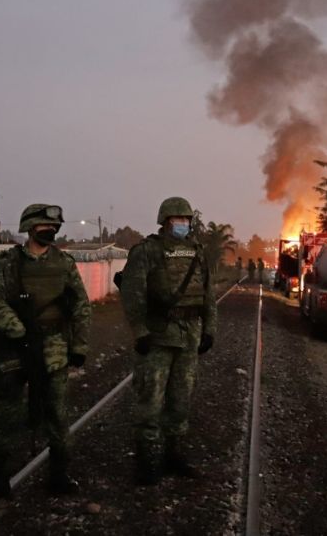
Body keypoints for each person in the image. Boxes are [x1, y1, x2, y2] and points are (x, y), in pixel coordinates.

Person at [0, 204, 91, 502]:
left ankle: (59, 475)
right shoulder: (9, 263)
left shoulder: (64, 263)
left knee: (56, 413)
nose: (50, 232)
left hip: (54, 348)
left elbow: (81, 305)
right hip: (15, 350)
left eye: (53, 227)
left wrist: (79, 346)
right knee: (9, 415)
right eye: (44, 227)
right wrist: (14, 326)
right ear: (30, 228)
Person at [119, 197, 216, 485]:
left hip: (189, 338)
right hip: (158, 337)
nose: (183, 224)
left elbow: (208, 294)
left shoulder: (197, 251)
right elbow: (132, 293)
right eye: (177, 219)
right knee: (150, 401)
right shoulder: (147, 251)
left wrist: (210, 329)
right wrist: (140, 332)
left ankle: (173, 456)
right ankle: (147, 463)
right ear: (164, 222)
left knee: (181, 400)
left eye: (186, 219)